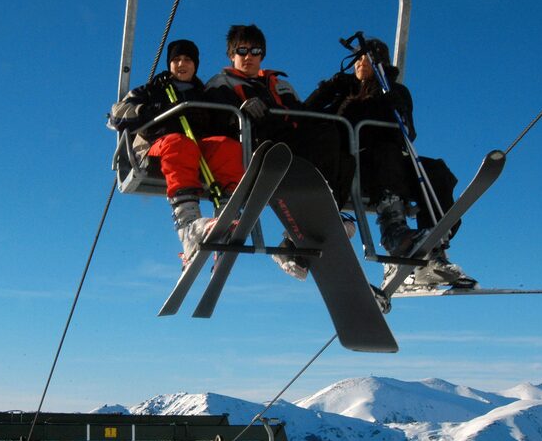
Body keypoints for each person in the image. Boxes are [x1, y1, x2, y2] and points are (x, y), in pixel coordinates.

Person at [305, 37, 474, 289]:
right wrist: (329, 88)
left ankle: (433, 247)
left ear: (380, 63)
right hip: (353, 164)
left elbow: (407, 131)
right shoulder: (343, 90)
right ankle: (394, 230)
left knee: (437, 171)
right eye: (358, 58)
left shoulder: (393, 91)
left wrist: (392, 103)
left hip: (390, 163)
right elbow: (310, 112)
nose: (361, 63)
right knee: (386, 153)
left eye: (368, 58)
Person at [203, 24, 356, 280]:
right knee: (314, 138)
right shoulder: (221, 83)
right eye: (242, 51)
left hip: (288, 144)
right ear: (232, 54)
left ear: (263, 55)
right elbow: (214, 118)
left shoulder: (280, 85)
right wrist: (241, 110)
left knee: (339, 149)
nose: (249, 56)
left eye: (255, 51)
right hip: (256, 147)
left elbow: (302, 116)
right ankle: (305, 228)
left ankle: (304, 234)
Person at [110, 39, 244, 267]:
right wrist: (150, 110)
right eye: (176, 60)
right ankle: (188, 226)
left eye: (187, 60)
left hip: (195, 148)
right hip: (157, 148)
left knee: (226, 146)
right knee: (179, 144)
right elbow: (117, 114)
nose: (181, 64)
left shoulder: (205, 93)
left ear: (196, 64)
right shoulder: (153, 89)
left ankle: (226, 216)